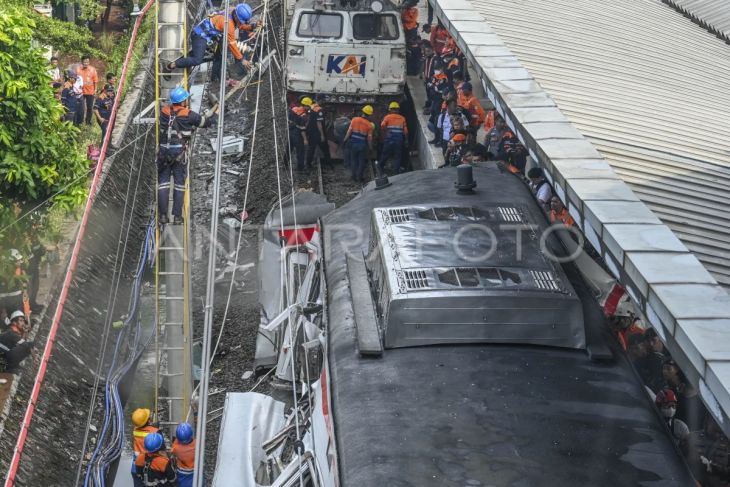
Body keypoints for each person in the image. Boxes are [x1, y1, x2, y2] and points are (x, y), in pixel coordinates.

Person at [157, 86, 217, 224]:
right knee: (179, 185)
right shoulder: (188, 114)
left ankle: (163, 216)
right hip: (179, 153)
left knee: (163, 184)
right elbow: (205, 122)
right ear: (183, 101)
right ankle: (177, 217)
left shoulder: (164, 112)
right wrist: (216, 113)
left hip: (163, 152)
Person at [166, 3, 254, 74]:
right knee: (197, 60)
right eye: (240, 21)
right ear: (236, 16)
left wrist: (251, 27)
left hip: (207, 35)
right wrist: (241, 59)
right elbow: (232, 44)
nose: (241, 23)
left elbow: (239, 24)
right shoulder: (228, 24)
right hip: (199, 35)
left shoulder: (232, 10)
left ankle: (190, 57)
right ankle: (171, 65)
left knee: (214, 56)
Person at [343, 105, 374, 183]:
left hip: (353, 144)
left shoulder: (354, 119)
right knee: (361, 162)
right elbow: (369, 139)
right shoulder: (369, 125)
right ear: (369, 115)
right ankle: (359, 177)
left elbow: (349, 132)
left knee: (353, 160)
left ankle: (354, 176)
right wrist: (370, 148)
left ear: (362, 112)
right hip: (362, 145)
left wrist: (345, 140)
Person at [131, 408, 161, 487]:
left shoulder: (134, 431)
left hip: (136, 467)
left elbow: (143, 431)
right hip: (151, 467)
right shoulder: (155, 431)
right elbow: (160, 448)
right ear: (148, 420)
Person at [379, 102, 409, 175]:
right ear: (398, 110)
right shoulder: (402, 118)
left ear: (390, 109)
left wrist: (387, 131)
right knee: (397, 156)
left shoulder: (387, 117)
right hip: (399, 140)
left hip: (389, 139)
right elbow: (405, 131)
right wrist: (406, 140)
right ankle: (396, 172)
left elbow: (382, 125)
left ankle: (380, 168)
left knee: (385, 154)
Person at [303, 97, 332, 169]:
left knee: (311, 149)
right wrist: (322, 135)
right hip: (318, 133)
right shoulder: (319, 110)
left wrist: (307, 131)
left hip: (311, 133)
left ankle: (308, 164)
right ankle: (329, 164)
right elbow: (319, 123)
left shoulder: (311, 108)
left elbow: (308, 120)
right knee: (325, 149)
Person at [171, 423, 196, 487]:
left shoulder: (176, 448)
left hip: (182, 472)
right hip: (194, 470)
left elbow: (173, 448)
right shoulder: (196, 445)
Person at [76, 55, 98, 125]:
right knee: (81, 108)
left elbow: (95, 81)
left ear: (89, 62)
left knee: (89, 107)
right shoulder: (78, 70)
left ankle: (88, 122)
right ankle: (80, 122)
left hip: (90, 92)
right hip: (80, 92)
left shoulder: (93, 70)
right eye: (84, 62)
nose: (86, 63)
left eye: (87, 62)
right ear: (82, 62)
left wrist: (95, 90)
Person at [288, 99, 308, 172]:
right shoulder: (303, 115)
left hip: (291, 132)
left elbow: (289, 120)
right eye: (308, 106)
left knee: (288, 149)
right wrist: (305, 139)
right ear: (305, 106)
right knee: (300, 152)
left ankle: (285, 163)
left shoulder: (294, 109)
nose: (309, 108)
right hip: (298, 135)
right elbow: (302, 129)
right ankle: (300, 168)